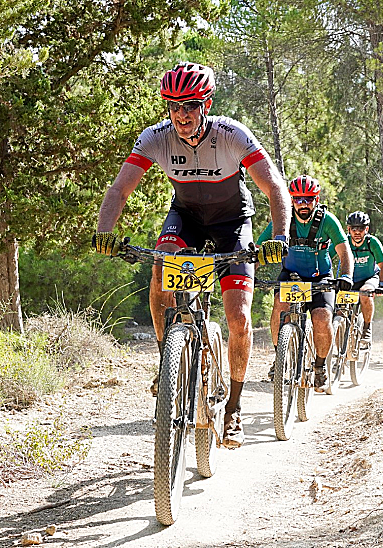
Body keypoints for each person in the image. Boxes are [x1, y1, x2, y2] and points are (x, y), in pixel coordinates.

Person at [92, 62, 290, 449]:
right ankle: (169, 362)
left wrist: (279, 237)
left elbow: (275, 188)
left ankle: (233, 408)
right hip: (186, 219)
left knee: (239, 318)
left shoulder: (232, 134)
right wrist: (105, 231)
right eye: (174, 106)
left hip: (232, 223)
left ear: (206, 105)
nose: (181, 115)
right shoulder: (156, 137)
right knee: (160, 265)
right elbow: (119, 190)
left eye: (190, 106)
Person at [257, 175, 353, 393]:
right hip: (291, 274)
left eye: (308, 199)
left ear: (316, 200)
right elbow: (261, 250)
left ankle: (320, 367)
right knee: (279, 306)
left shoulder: (327, 221)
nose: (303, 204)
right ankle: (280, 357)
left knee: (322, 317)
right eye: (298, 199)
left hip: (321, 277)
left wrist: (346, 276)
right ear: (291, 200)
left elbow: (344, 252)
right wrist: (247, 273)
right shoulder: (283, 220)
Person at [345, 211, 383, 346]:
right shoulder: (344, 241)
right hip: (349, 279)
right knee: (340, 309)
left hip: (369, 278)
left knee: (365, 293)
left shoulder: (372, 242)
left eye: (361, 228)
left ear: (367, 229)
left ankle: (367, 327)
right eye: (354, 229)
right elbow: (327, 256)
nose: (357, 232)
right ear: (349, 229)